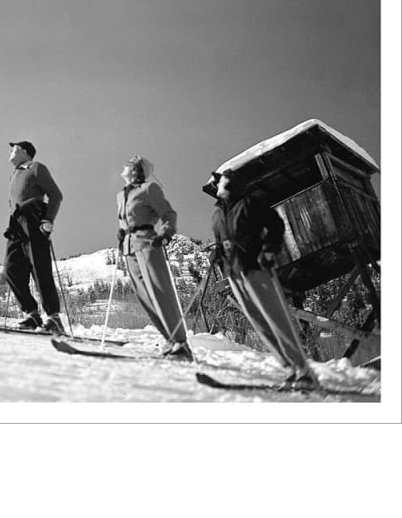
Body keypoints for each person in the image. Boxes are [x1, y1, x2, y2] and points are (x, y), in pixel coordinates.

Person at [209, 168, 319, 390]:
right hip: (234, 271)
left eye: (221, 182)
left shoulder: (250, 203)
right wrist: (217, 251)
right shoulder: (217, 214)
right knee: (259, 321)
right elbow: (223, 240)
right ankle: (290, 368)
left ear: (230, 185)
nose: (217, 185)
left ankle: (304, 370)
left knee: (275, 318)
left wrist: (270, 249)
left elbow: (276, 224)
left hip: (256, 266)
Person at [117, 155, 193, 360]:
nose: (125, 167)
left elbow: (168, 213)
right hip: (129, 249)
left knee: (159, 292)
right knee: (145, 297)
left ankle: (180, 341)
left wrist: (165, 234)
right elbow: (125, 220)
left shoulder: (149, 189)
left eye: (130, 165)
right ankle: (171, 340)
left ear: (137, 171)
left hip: (148, 244)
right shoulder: (121, 195)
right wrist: (121, 233)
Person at [4, 141, 65, 333]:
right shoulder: (15, 173)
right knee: (11, 268)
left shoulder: (36, 167)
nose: (10, 152)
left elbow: (56, 194)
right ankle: (32, 313)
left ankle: (54, 318)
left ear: (23, 151)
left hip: (33, 218)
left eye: (13, 149)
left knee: (39, 267)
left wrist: (48, 220)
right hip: (17, 223)